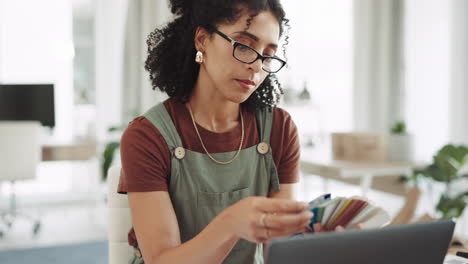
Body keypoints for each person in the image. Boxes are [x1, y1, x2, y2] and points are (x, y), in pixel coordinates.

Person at [117, 1, 339, 263]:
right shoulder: (148, 136)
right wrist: (232, 223)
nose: (257, 66)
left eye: (268, 54)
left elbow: (276, 246)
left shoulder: (278, 128)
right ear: (202, 40)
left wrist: (326, 244)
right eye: (244, 46)